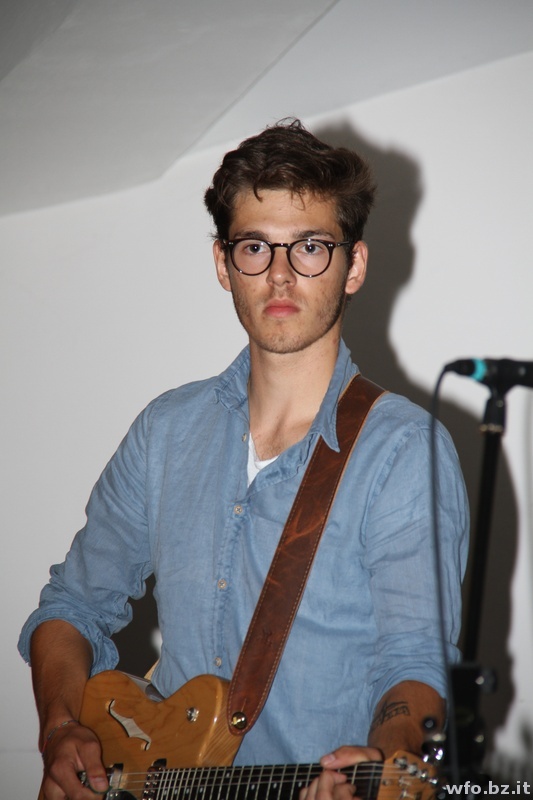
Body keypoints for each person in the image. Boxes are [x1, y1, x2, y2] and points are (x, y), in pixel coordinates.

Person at [19, 118, 469, 800]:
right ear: (222, 264)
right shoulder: (166, 431)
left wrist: (386, 758)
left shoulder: (405, 451)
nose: (280, 274)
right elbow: (72, 606)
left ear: (353, 266)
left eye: (310, 247)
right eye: (255, 247)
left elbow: (415, 661)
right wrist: (59, 730)